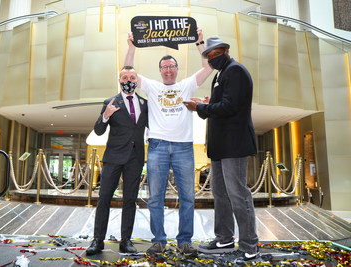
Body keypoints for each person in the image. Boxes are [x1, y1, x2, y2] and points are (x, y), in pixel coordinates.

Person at [125, 28, 213, 256]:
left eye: (172, 66)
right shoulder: (153, 87)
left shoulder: (186, 85)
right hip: (157, 146)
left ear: (176, 69)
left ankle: (184, 241)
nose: (168, 70)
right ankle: (159, 241)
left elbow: (208, 67)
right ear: (160, 71)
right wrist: (132, 47)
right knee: (155, 197)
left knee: (188, 197)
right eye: (164, 67)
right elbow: (127, 72)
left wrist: (200, 43)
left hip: (184, 147)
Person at [183, 36, 259, 261]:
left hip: (233, 145)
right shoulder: (222, 73)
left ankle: (249, 245)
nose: (212, 58)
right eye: (209, 55)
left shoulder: (235, 71)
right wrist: (208, 102)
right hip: (221, 146)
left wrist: (201, 107)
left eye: (216, 53)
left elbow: (230, 106)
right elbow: (225, 102)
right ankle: (224, 238)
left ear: (226, 50)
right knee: (221, 194)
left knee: (238, 194)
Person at [86, 66, 148, 255]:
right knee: (104, 198)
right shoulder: (110, 101)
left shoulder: (145, 104)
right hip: (113, 158)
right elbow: (98, 130)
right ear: (119, 80)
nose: (128, 79)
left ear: (136, 81)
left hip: (135, 159)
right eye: (124, 77)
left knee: (130, 200)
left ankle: (126, 241)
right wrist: (106, 115)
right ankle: (98, 240)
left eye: (132, 77)